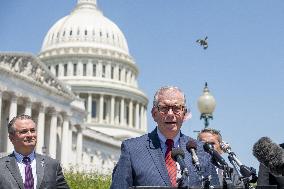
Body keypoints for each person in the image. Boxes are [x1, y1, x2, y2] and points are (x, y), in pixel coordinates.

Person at [111, 86, 219, 189]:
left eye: (177, 108)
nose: (170, 114)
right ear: (154, 114)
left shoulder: (201, 150)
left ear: (184, 114)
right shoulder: (132, 149)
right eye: (164, 108)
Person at [0, 114, 69, 189]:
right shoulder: (1, 166)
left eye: (32, 130)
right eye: (24, 131)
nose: (30, 135)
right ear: (11, 138)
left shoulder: (52, 165)